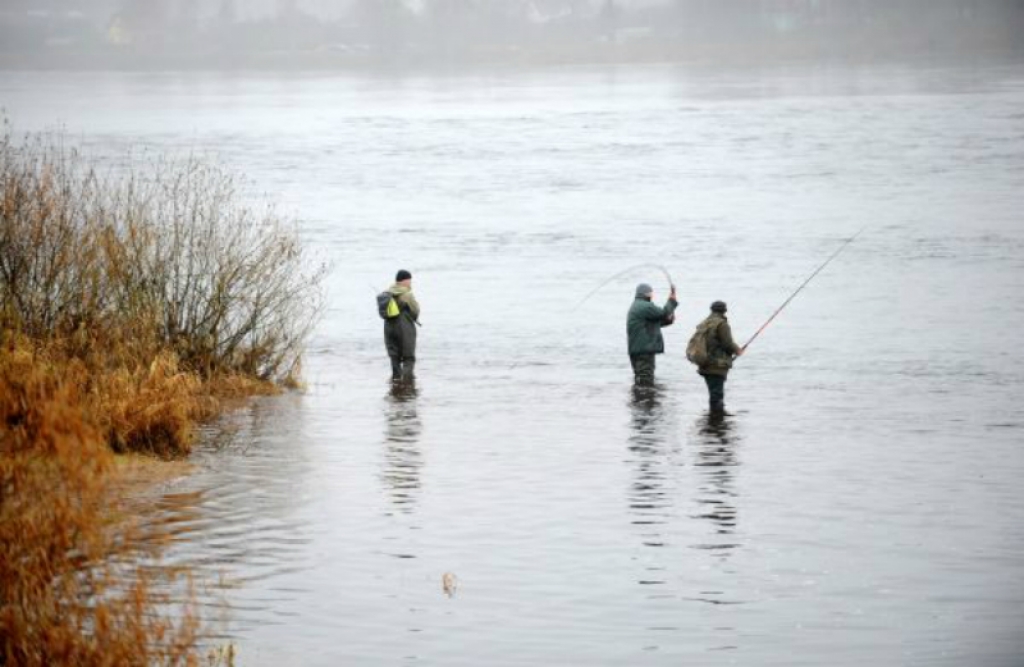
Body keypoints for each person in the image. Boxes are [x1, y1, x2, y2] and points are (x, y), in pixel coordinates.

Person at [695, 300, 743, 414]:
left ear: (711, 309)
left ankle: (713, 419)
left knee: (713, 392)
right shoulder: (722, 324)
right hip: (716, 365)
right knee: (717, 394)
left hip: (704, 363)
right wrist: (738, 350)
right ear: (724, 311)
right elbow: (727, 343)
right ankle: (716, 419)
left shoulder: (704, 323)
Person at [626, 283, 678, 385]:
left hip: (636, 349)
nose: (652, 295)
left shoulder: (636, 305)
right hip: (644, 350)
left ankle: (639, 399)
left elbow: (653, 324)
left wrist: (669, 320)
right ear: (647, 293)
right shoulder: (645, 306)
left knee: (640, 377)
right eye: (651, 293)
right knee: (646, 378)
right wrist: (672, 300)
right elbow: (664, 313)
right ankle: (646, 399)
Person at [384, 269, 420, 383]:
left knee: (394, 356)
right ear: (404, 281)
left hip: (388, 327)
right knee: (408, 357)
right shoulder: (407, 294)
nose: (410, 283)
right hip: (404, 327)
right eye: (409, 280)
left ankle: (395, 381)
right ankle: (407, 384)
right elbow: (416, 311)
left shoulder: (387, 293)